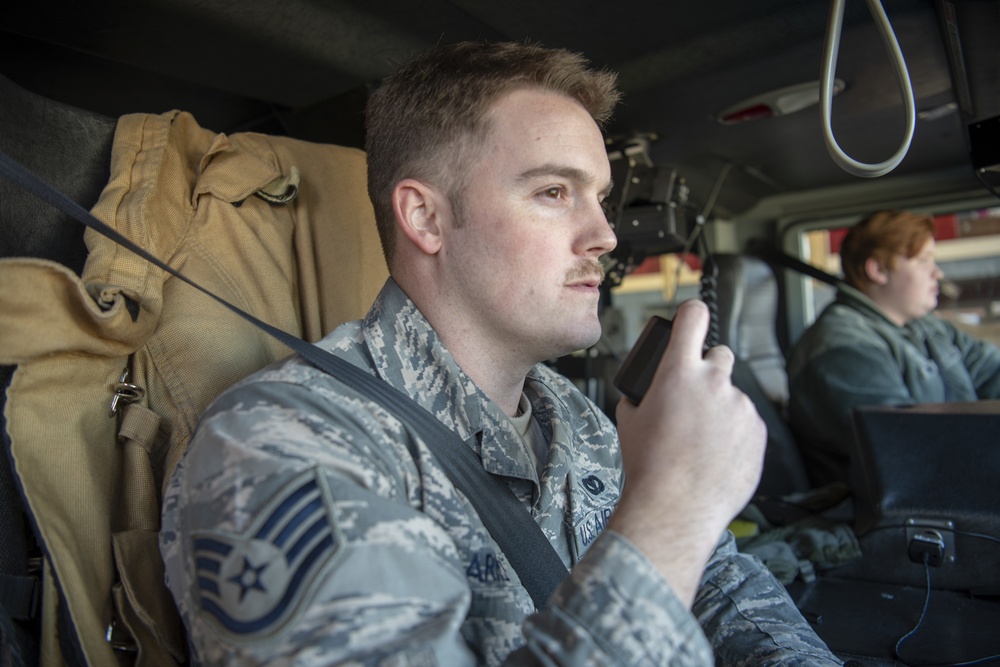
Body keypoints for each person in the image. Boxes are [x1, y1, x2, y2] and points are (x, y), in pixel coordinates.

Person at [160, 41, 841, 665]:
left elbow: (724, 592)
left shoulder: (576, 417)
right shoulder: (282, 442)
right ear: (425, 218)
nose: (604, 233)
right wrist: (674, 509)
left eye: (601, 198)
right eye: (554, 192)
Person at [787, 210, 1000, 487]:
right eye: (924, 261)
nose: (938, 272)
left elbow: (990, 371)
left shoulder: (926, 327)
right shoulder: (843, 348)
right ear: (877, 270)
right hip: (902, 505)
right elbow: (907, 449)